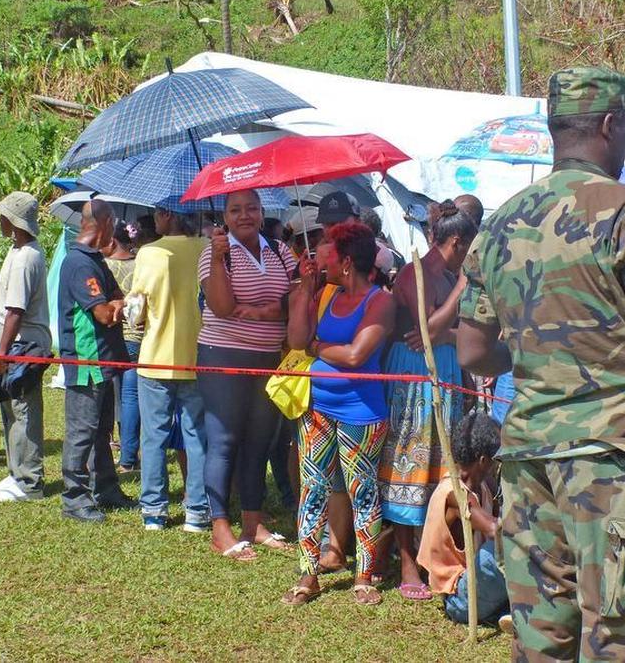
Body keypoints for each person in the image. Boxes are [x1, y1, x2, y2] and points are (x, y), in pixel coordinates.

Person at [459, 67, 625, 660]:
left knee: (542, 638)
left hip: (530, 455)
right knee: (619, 639)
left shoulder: (500, 223)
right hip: (615, 462)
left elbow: (475, 351)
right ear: (611, 125)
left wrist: (544, 343)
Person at [281, 221, 394, 606]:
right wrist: (306, 293)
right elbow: (297, 340)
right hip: (317, 407)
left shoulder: (380, 301)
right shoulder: (326, 293)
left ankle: (363, 577)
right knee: (312, 490)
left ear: (347, 262)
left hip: (361, 412)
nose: (318, 257)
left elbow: (356, 355)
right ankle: (307, 574)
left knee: (362, 492)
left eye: (326, 252)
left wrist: (317, 346)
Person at [380, 200, 477, 601]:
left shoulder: (451, 272)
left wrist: (452, 339)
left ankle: (434, 550)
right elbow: (427, 328)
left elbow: (447, 332)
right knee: (409, 464)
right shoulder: (414, 273)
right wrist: (462, 287)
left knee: (444, 465)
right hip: (416, 376)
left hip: (448, 372)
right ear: (456, 241)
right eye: (469, 246)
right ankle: (405, 558)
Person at [197, 189, 297, 560]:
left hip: (269, 357)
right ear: (224, 215)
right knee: (224, 439)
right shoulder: (213, 253)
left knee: (260, 440)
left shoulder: (279, 250)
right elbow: (221, 307)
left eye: (251, 208)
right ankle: (220, 527)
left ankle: (252, 523)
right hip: (222, 355)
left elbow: (293, 300)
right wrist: (221, 259)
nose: (245, 215)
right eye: (236, 209)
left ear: (261, 211)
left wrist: (262, 312)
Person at [129, 206, 208, 532]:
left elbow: (136, 312)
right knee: (197, 437)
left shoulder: (149, 252)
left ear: (167, 216)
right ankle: (198, 511)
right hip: (199, 356)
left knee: (153, 438)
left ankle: (154, 511)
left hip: (155, 357)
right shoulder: (207, 246)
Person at [57, 199, 135, 523]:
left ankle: (106, 489)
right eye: (114, 222)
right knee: (82, 431)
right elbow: (104, 313)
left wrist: (118, 304)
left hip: (104, 360)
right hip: (86, 359)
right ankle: (74, 498)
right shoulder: (79, 263)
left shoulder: (96, 261)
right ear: (103, 222)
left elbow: (118, 297)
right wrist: (118, 307)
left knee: (102, 430)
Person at [0, 191, 53, 503]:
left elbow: (16, 310)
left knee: (23, 410)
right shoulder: (18, 250)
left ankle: (29, 481)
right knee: (11, 408)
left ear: (13, 221)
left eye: (3, 215)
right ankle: (16, 471)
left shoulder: (27, 258)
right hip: (14, 343)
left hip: (24, 345)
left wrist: (3, 350)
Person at [418, 409, 511, 628]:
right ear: (483, 460)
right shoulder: (453, 493)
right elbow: (494, 529)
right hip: (459, 598)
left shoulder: (482, 487)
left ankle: (509, 610)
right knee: (505, 545)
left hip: (475, 586)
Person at [104, 220, 143, 473]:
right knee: (131, 398)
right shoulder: (142, 262)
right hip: (139, 337)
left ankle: (122, 452)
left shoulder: (105, 267)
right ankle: (129, 456)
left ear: (112, 241)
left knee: (116, 396)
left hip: (115, 337)